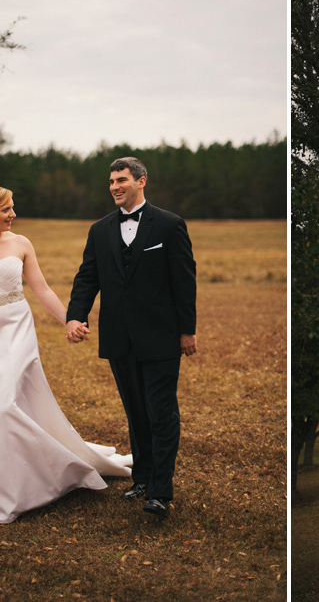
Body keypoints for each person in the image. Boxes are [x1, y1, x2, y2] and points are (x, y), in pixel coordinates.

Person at [0, 185, 133, 524]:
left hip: (16, 331)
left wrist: (70, 319)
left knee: (5, 401)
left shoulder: (21, 244)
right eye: (6, 209)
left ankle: (14, 486)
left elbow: (41, 288)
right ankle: (3, 476)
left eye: (12, 208)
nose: (13, 214)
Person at [65, 157, 197, 520]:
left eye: (121, 180)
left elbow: (184, 281)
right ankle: (141, 477)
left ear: (141, 182)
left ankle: (159, 492)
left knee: (161, 413)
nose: (114, 186)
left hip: (161, 337)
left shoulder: (170, 225)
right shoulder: (100, 230)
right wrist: (76, 315)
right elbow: (87, 278)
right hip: (118, 337)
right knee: (136, 411)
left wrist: (188, 330)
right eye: (110, 181)